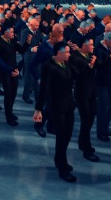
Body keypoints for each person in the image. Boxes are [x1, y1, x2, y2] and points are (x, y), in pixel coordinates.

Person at [34, 42, 78, 182]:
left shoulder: (66, 63)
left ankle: (59, 159)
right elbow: (44, 90)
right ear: (59, 53)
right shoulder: (49, 67)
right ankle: (62, 168)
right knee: (61, 136)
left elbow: (77, 74)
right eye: (67, 52)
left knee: (68, 134)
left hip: (69, 105)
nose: (69, 54)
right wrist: (39, 109)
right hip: (57, 106)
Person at [68, 37, 100, 163]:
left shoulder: (91, 55)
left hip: (92, 92)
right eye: (91, 45)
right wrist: (90, 66)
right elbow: (77, 75)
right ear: (83, 46)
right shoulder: (74, 57)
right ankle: (86, 148)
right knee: (86, 120)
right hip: (82, 94)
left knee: (90, 119)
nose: (93, 47)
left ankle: (82, 142)